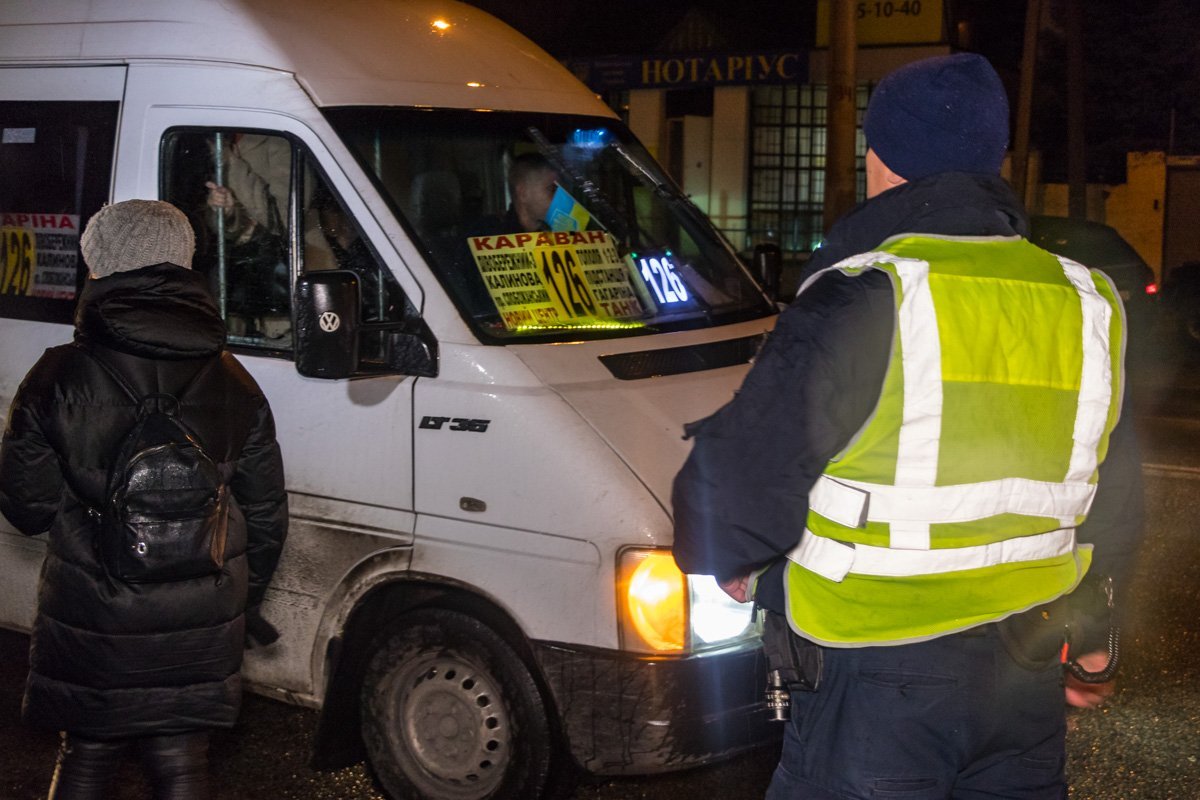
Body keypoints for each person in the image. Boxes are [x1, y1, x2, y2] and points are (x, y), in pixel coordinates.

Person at [671, 53, 1144, 799]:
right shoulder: (1088, 304)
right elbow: (1112, 491)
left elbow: (733, 478)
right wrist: (1089, 637)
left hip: (875, 679)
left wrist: (727, 557)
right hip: (1026, 667)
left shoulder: (866, 296)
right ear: (1000, 163)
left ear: (878, 160)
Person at [0, 199, 289, 799]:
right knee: (183, 759)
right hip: (202, 614)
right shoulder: (235, 379)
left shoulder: (59, 376)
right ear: (183, 264)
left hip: (93, 610)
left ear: (99, 270)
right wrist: (237, 599)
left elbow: (26, 508)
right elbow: (265, 514)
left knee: (88, 754)